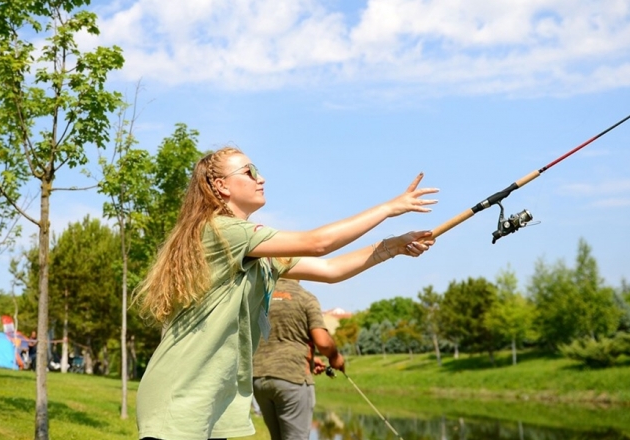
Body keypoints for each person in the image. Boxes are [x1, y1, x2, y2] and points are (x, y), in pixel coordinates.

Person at [135, 146, 437, 440]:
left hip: (209, 396)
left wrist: (393, 246)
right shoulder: (223, 231)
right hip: (179, 394)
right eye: (250, 172)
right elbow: (318, 243)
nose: (261, 179)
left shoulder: (254, 248)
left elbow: (330, 269)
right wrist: (388, 208)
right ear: (220, 185)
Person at [252, 279, 344, 440]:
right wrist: (335, 357)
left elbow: (269, 337)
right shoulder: (305, 297)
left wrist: (310, 360)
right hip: (292, 378)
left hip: (259, 378)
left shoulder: (260, 296)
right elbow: (322, 342)